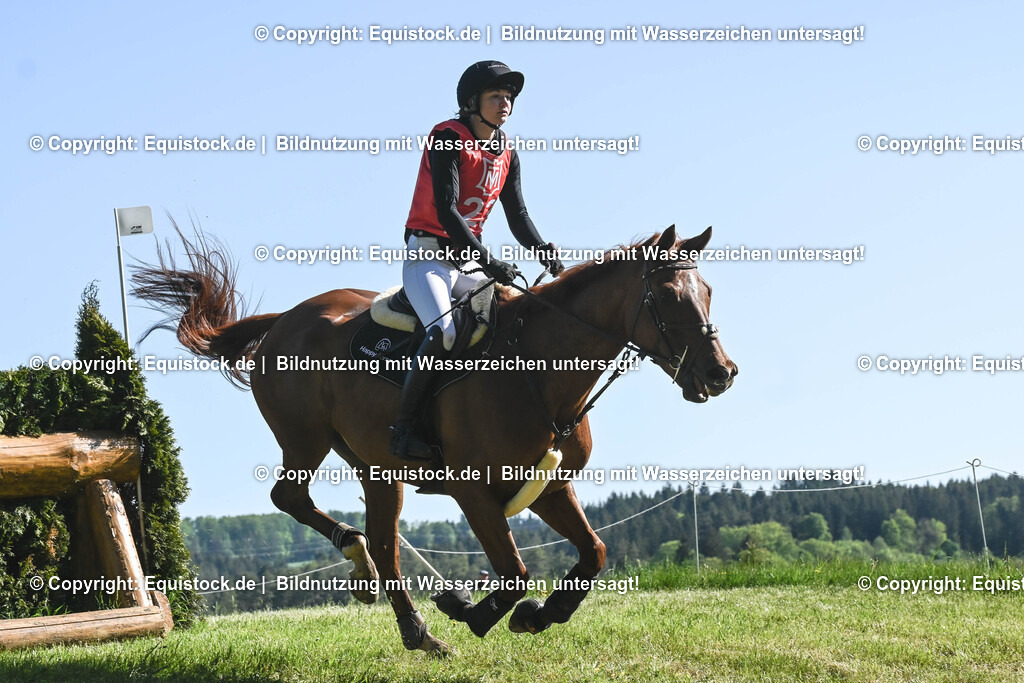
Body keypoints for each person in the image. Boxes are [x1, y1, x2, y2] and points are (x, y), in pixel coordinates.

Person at [390, 60, 564, 461]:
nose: (505, 103)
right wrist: (489, 262)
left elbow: (518, 214)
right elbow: (448, 210)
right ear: (471, 102)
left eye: (509, 97)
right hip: (428, 258)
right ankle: (403, 431)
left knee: (512, 316)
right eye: (495, 96)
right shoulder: (448, 137)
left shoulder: (507, 152)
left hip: (466, 265)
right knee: (445, 333)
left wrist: (542, 249)